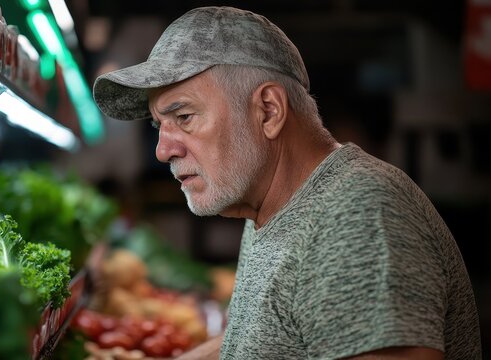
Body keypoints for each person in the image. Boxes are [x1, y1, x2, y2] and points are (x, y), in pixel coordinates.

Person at [92, 6, 482, 360]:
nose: (163, 150)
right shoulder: (272, 207)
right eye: (160, 125)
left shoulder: (356, 217)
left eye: (185, 117)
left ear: (269, 110)